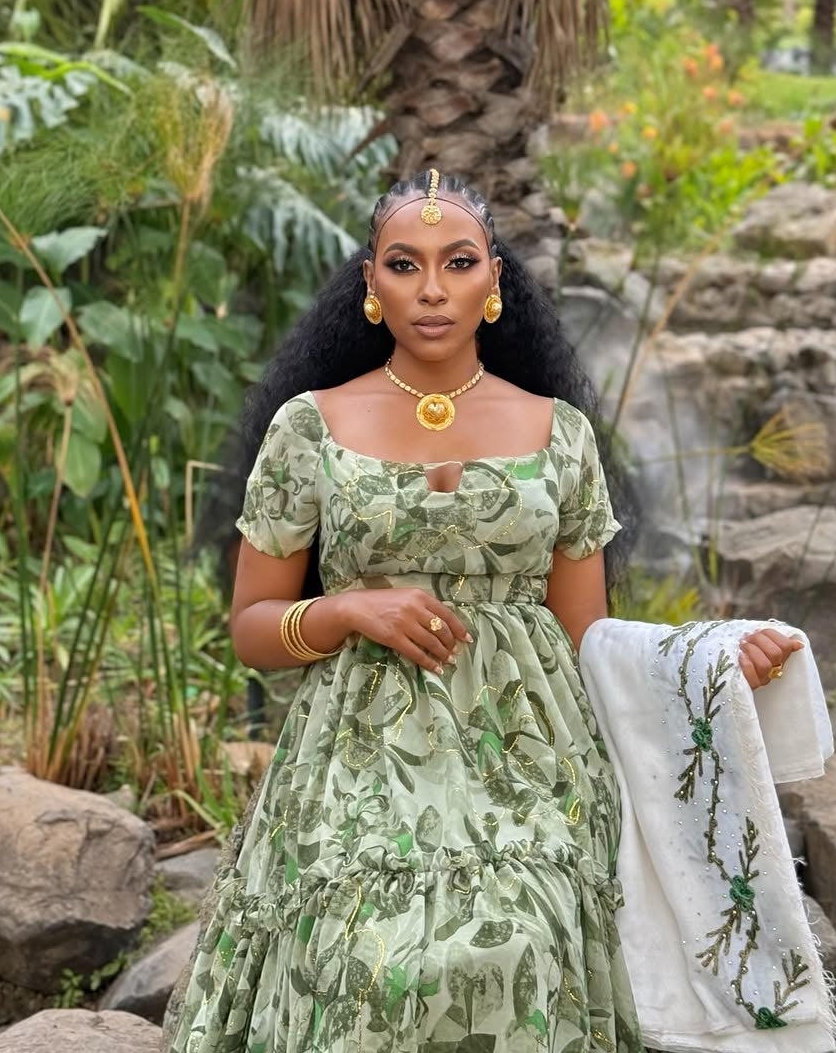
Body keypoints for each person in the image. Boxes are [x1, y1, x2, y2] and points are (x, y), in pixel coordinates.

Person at [167, 169, 803, 1053]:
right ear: (371, 289)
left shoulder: (560, 434)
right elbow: (251, 628)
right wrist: (348, 609)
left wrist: (712, 660)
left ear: (494, 284)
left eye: (458, 262)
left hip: (531, 759)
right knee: (366, 955)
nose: (432, 288)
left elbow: (591, 640)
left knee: (526, 940)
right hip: (358, 759)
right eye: (404, 264)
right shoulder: (307, 428)